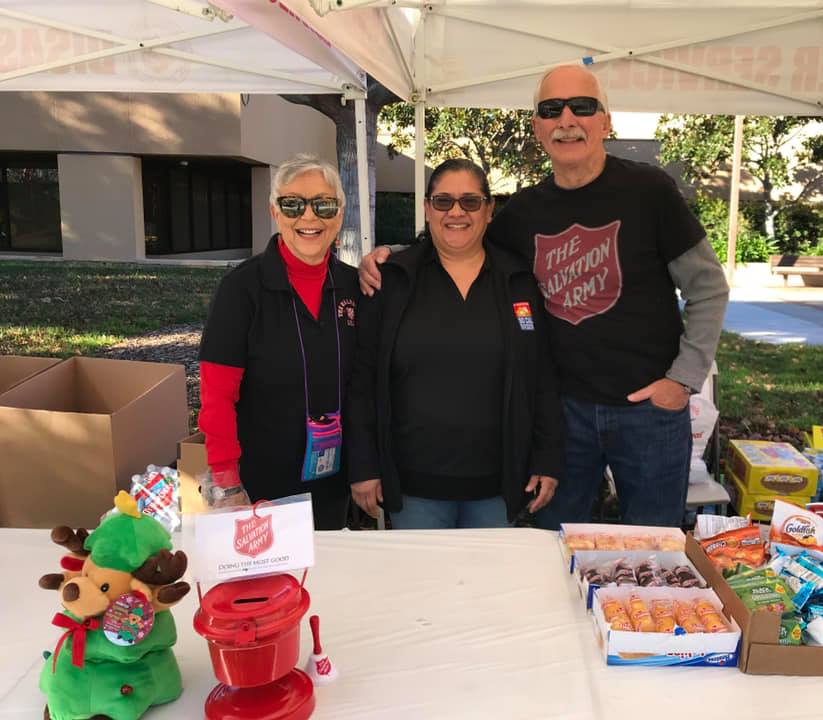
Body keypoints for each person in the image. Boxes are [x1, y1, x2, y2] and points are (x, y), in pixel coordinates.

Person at [359, 66, 729, 530]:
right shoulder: (524, 212)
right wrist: (394, 256)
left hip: (647, 410)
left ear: (605, 121)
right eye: (551, 110)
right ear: (537, 127)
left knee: (653, 541)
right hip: (564, 413)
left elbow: (708, 287)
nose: (566, 120)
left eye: (582, 107)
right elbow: (460, 238)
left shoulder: (650, 191)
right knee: (553, 544)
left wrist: (683, 379)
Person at [347, 158, 564, 529]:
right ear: (427, 208)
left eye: (470, 201)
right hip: (415, 490)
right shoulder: (392, 280)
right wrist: (364, 466)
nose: (456, 212)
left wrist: (547, 457)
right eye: (443, 201)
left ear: (489, 210)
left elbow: (541, 377)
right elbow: (362, 381)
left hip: (498, 488)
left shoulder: (518, 281)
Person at [198, 154, 359, 530]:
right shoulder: (241, 289)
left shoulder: (353, 285)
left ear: (339, 214)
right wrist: (226, 480)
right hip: (259, 484)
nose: (309, 217)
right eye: (292, 205)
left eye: (323, 205)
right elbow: (216, 395)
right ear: (274, 212)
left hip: (334, 479)